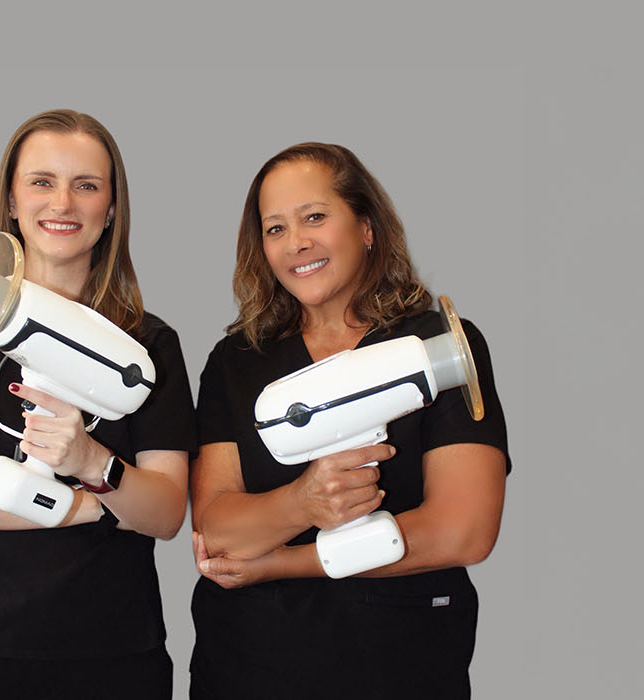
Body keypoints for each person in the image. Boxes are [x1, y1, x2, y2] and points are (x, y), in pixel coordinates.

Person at [188, 143, 510, 699]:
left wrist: (284, 562)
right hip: (249, 663)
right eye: (275, 228)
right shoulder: (237, 362)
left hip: (401, 663)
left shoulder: (438, 349)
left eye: (315, 216)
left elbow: (464, 532)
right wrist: (302, 502)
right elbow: (217, 531)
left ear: (366, 227)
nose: (297, 243)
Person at [0, 109, 193, 700]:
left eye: (86, 185)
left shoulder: (146, 349)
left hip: (108, 655)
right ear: (11, 200)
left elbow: (163, 513)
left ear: (111, 209)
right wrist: (90, 507)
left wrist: (92, 460)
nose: (63, 202)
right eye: (41, 182)